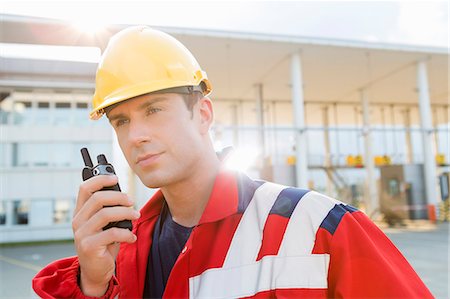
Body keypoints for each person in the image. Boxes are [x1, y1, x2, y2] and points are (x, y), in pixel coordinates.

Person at [33, 26, 433, 299]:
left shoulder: (319, 227)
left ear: (203, 114)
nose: (135, 135)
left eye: (153, 110)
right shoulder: (122, 253)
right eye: (121, 120)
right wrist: (92, 285)